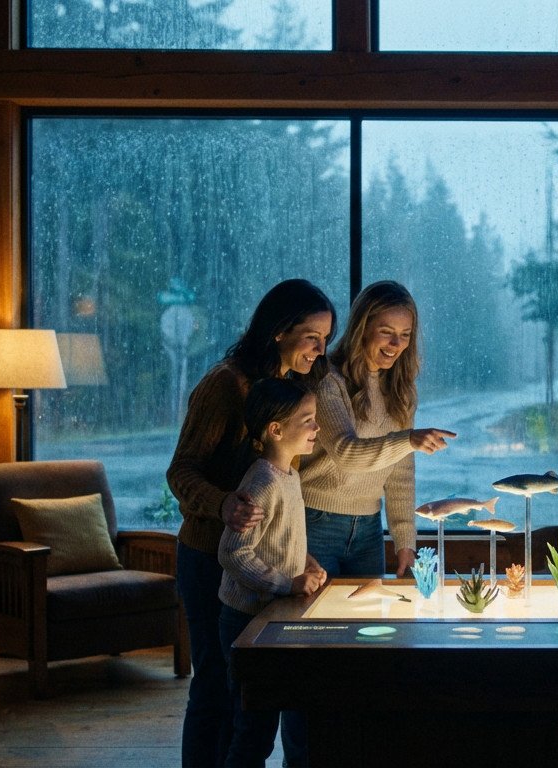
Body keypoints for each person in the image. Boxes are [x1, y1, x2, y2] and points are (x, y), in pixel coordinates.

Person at [167, 278, 335, 768]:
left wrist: (300, 556)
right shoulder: (226, 385)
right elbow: (180, 471)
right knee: (214, 688)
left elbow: (282, 499)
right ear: (279, 330)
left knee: (246, 695)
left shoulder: (291, 393)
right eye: (312, 338)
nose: (320, 350)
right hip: (208, 556)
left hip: (256, 568)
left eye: (325, 339)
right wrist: (223, 505)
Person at [300, 280, 456, 578]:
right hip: (315, 523)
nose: (396, 344)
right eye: (386, 332)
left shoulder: (402, 391)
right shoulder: (328, 380)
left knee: (371, 609)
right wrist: (408, 440)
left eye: (405, 335)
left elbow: (401, 474)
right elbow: (346, 452)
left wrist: (405, 542)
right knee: (317, 608)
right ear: (362, 328)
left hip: (369, 530)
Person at [219, 377, 328, 768]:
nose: (317, 427)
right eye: (307, 419)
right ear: (276, 430)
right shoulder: (263, 481)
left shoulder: (290, 475)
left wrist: (306, 562)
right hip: (247, 621)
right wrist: (287, 583)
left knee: (265, 724)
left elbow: (279, 538)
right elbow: (233, 553)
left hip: (273, 618)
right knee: (253, 732)